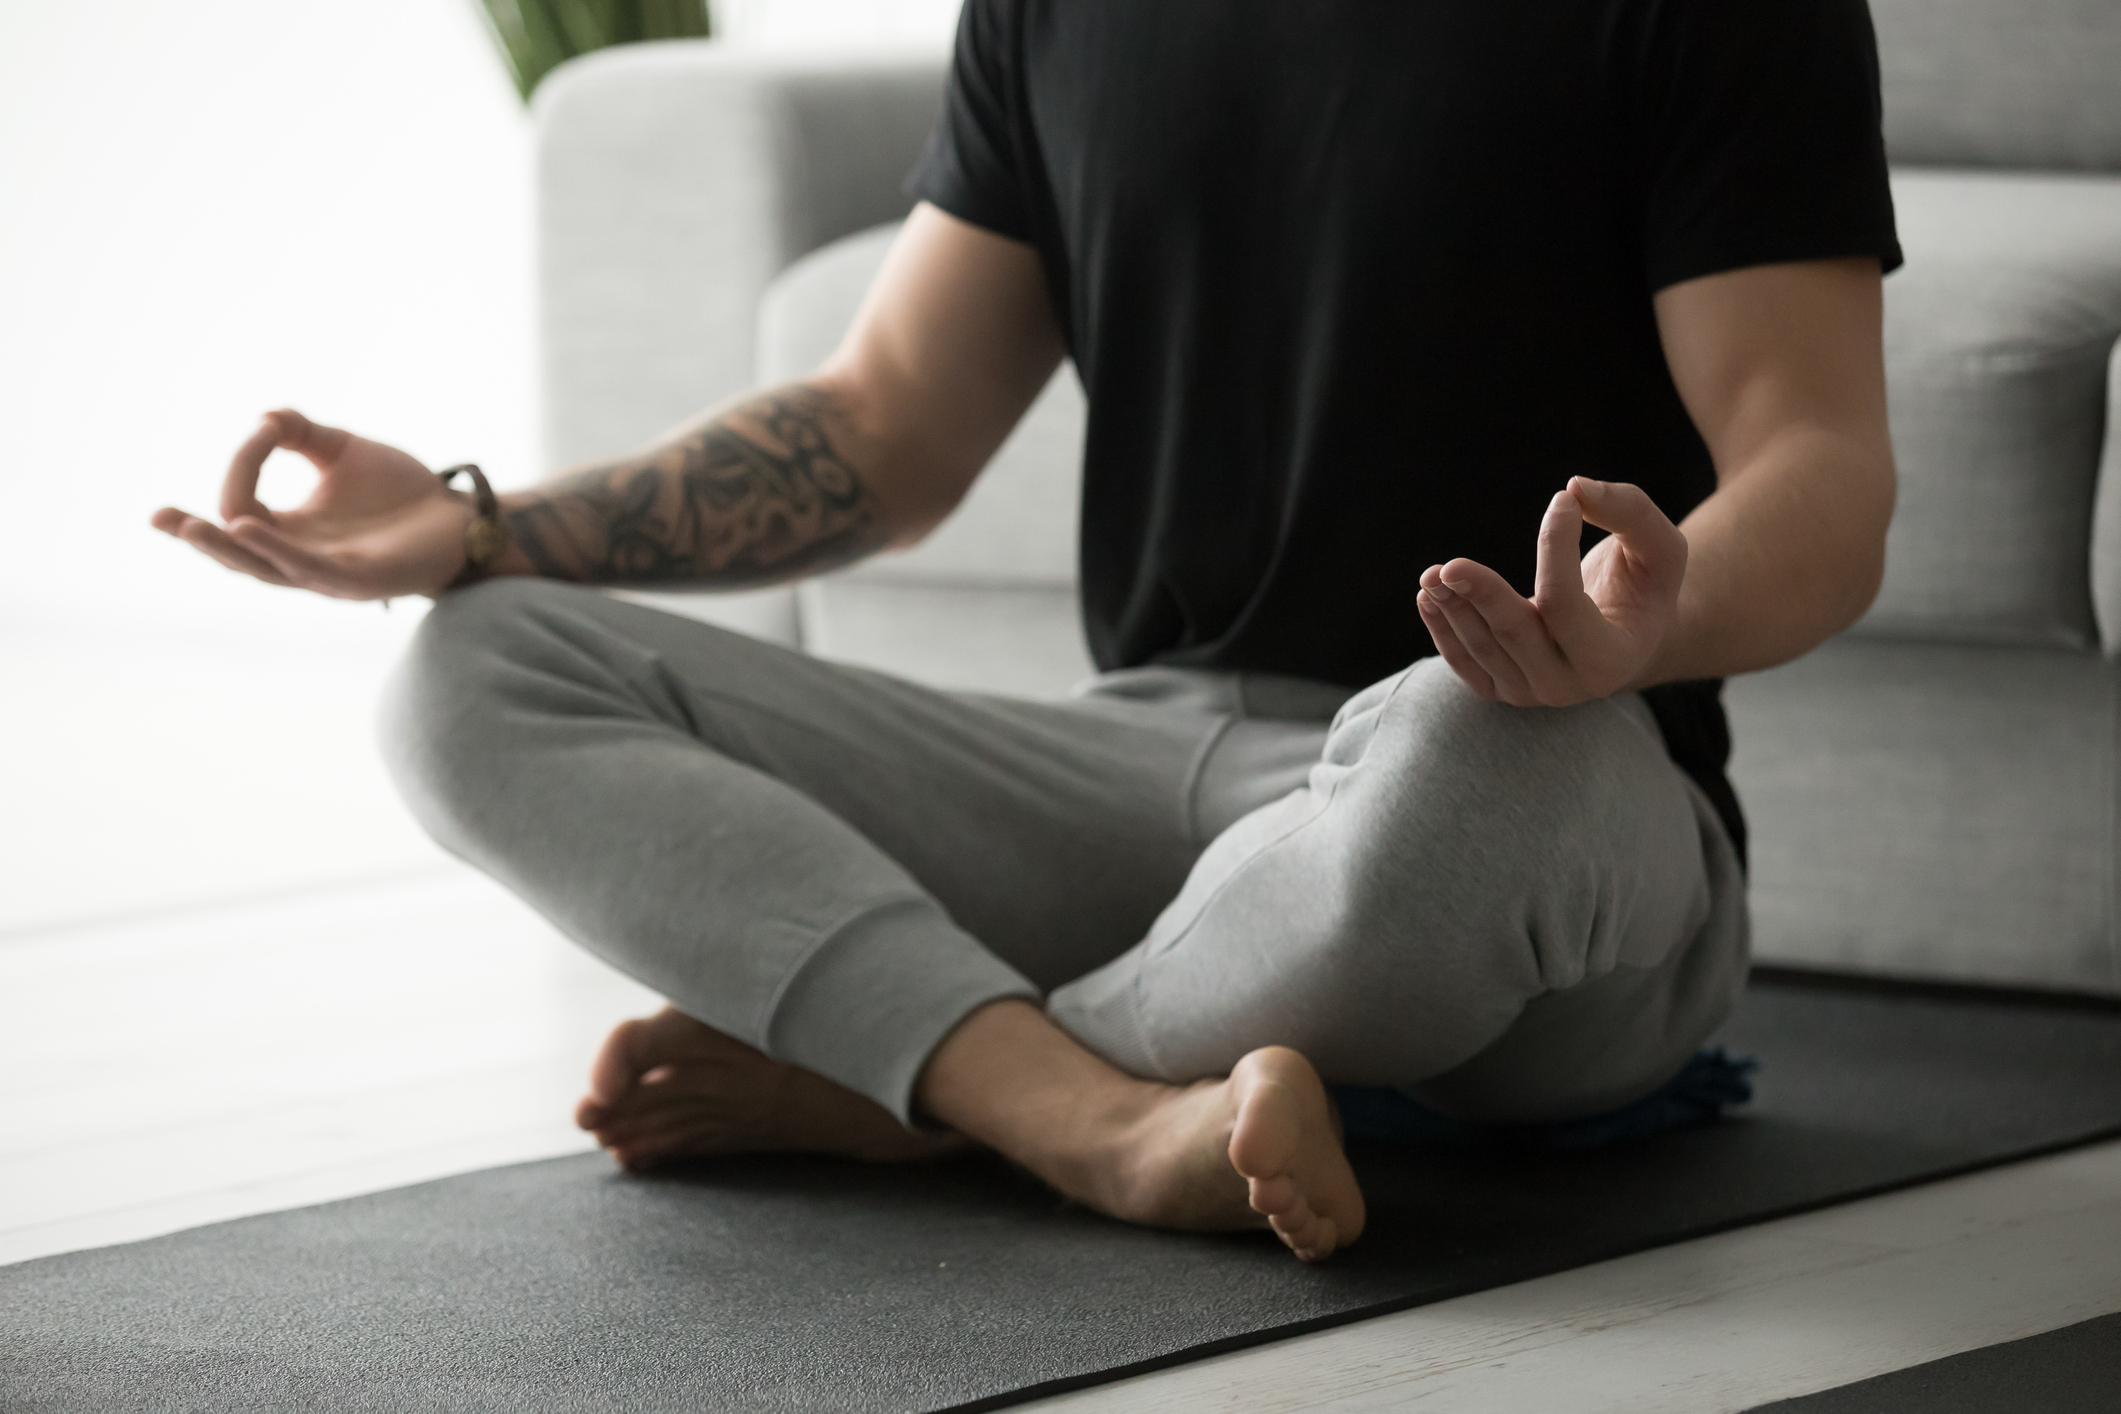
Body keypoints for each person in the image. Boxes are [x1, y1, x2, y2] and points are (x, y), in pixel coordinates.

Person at [153, 0, 1900, 1262]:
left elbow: (1816, 467)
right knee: (468, 663)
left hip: (1530, 791)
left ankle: (919, 1073)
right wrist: (481, 526)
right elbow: (887, 418)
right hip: (1138, 782)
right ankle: (1096, 1117)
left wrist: (1629, 629)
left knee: (1458, 760)